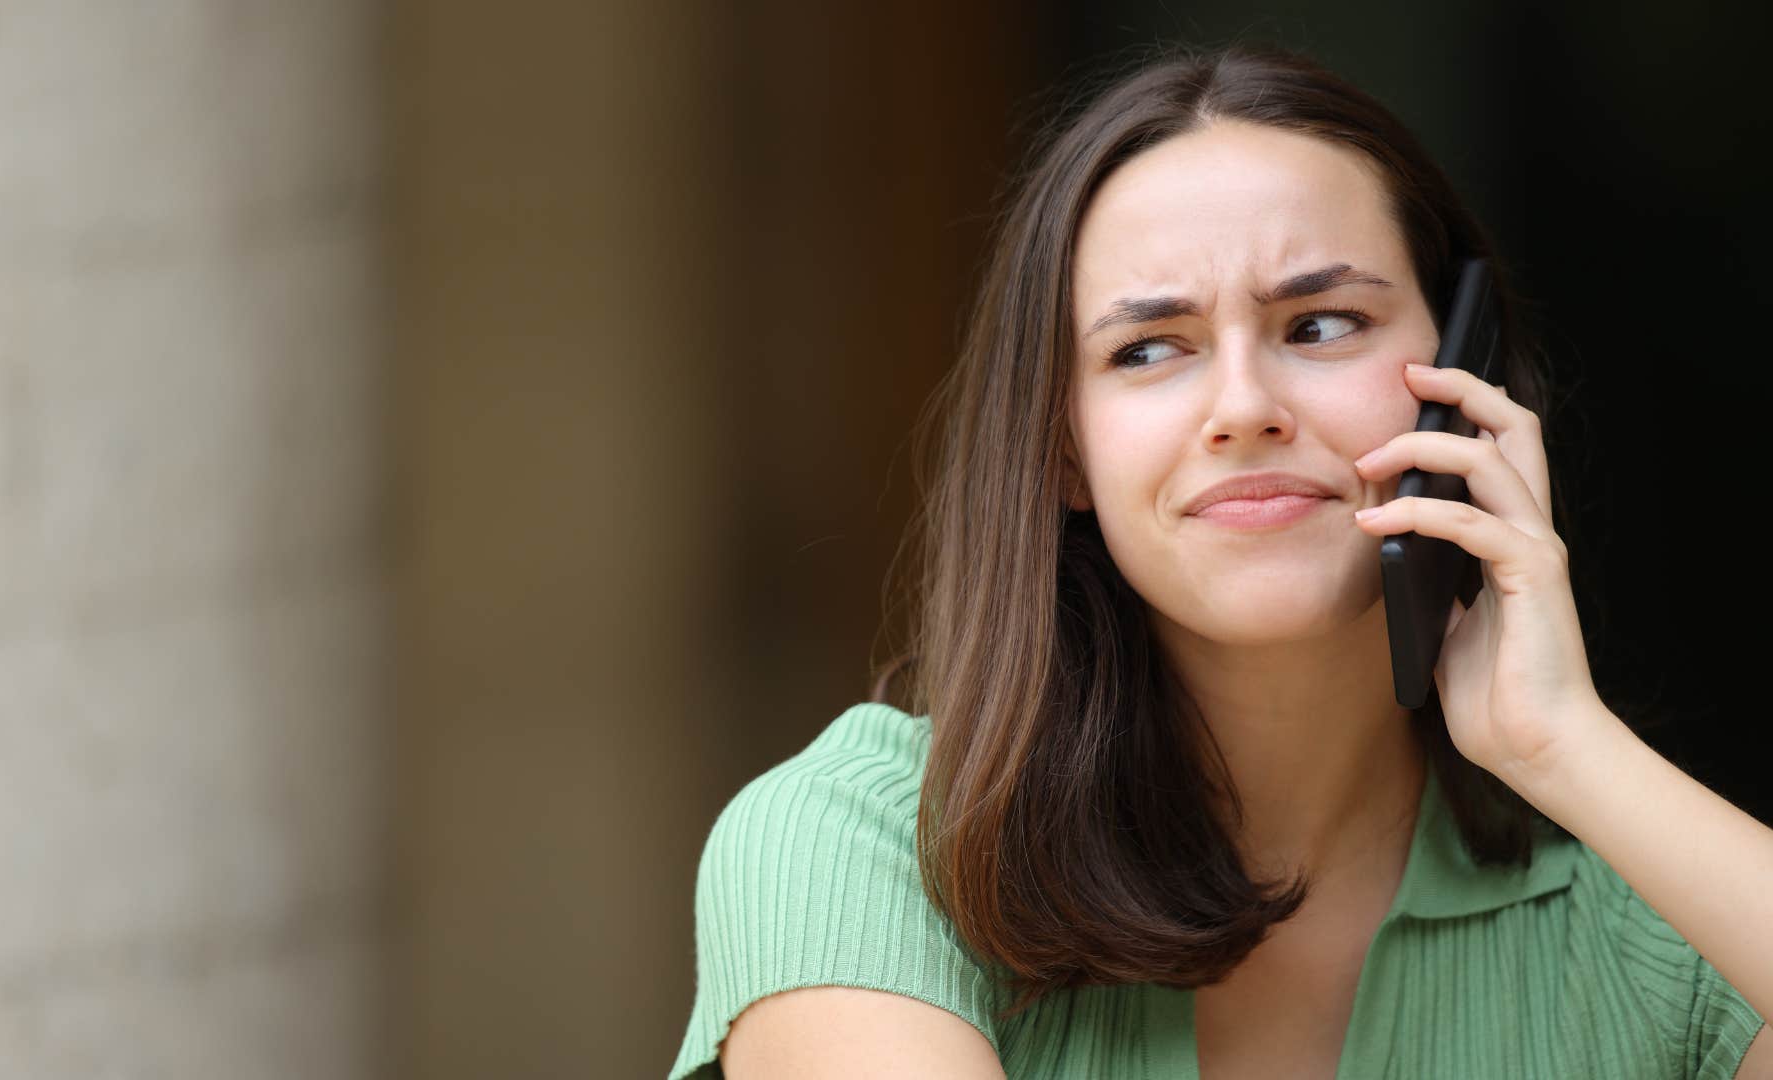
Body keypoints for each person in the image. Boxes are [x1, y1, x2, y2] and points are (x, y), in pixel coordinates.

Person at [667, 40, 1773, 1079]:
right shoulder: (870, 849)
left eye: (1323, 324)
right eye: (1149, 349)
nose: (1243, 408)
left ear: (1466, 375)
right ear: (1064, 452)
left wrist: (1562, 745)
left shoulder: (1655, 936)